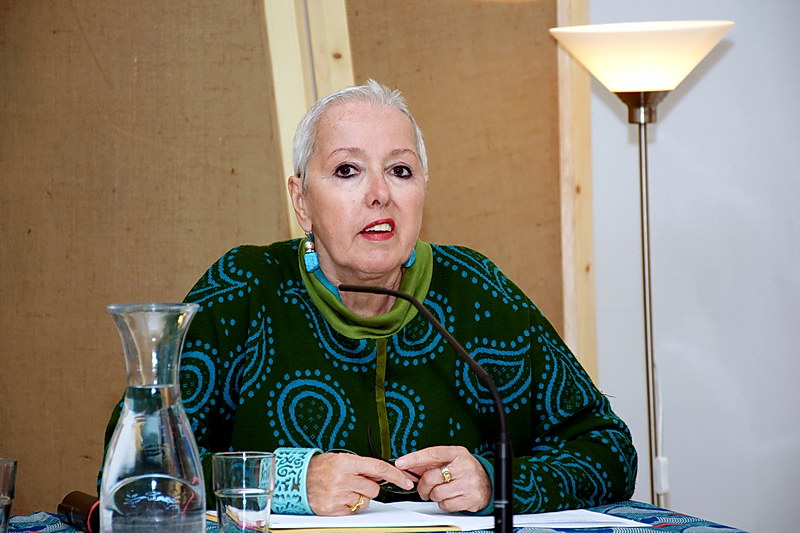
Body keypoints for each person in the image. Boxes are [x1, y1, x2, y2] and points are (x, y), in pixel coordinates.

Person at [103, 80, 637, 516]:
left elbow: (608, 450)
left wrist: (495, 479)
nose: (380, 194)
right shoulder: (245, 287)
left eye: (400, 171)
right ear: (301, 201)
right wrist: (288, 481)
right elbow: (138, 470)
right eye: (347, 171)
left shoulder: (476, 287)